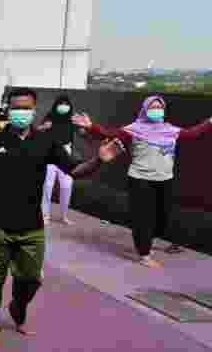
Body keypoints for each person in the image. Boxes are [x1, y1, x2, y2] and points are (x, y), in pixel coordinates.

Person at [0, 87, 124, 348]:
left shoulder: (46, 142)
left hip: (31, 228)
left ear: (34, 111)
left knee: (32, 279)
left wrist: (99, 161)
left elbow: (75, 170)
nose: (20, 113)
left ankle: (18, 307)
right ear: (8, 110)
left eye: (26, 108)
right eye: (16, 108)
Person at [72, 96, 212, 268]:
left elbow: (193, 133)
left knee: (162, 217)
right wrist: (91, 126)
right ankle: (144, 254)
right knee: (143, 218)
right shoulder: (134, 129)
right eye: (153, 107)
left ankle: (146, 242)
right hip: (140, 180)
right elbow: (108, 134)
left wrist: (210, 121)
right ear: (145, 110)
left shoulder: (170, 130)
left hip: (164, 180)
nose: (156, 110)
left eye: (159, 107)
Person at [36, 94, 78, 225]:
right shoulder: (50, 116)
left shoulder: (72, 119)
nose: (63, 106)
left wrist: (85, 127)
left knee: (67, 185)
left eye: (66, 104)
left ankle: (64, 215)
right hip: (50, 152)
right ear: (56, 105)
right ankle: (45, 215)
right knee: (47, 185)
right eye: (61, 103)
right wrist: (44, 127)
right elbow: (37, 131)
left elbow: (83, 133)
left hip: (66, 152)